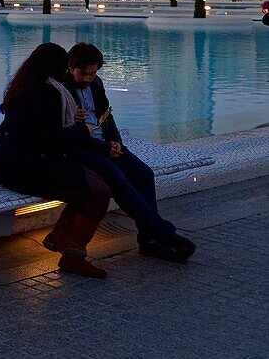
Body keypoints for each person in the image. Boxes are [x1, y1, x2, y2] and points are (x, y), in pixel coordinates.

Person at [0, 43, 111, 278]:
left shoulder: (26, 85)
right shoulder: (47, 92)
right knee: (99, 192)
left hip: (12, 163)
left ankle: (62, 237)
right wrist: (84, 131)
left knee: (93, 181)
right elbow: (55, 139)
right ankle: (73, 254)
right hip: (24, 168)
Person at [65, 43, 196, 262]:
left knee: (143, 174)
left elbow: (107, 116)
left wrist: (115, 140)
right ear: (71, 67)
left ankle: (148, 238)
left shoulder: (96, 84)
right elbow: (68, 133)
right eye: (83, 73)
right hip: (82, 148)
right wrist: (105, 147)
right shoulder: (62, 88)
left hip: (104, 144)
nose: (87, 78)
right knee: (118, 180)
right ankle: (162, 232)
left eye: (92, 73)